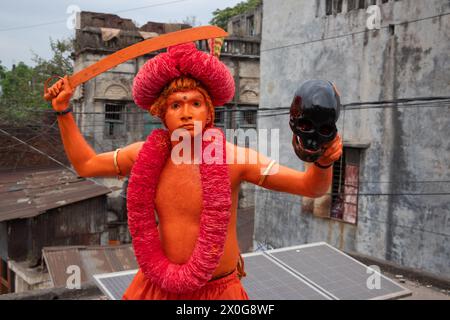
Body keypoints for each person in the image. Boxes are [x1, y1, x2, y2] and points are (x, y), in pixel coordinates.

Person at [48, 42, 342, 300]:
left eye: (196, 103)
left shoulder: (234, 159)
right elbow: (85, 164)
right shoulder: (142, 155)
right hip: (157, 287)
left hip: (220, 290)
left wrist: (322, 161)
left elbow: (310, 187)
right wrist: (63, 111)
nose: (187, 112)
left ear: (209, 111)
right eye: (176, 104)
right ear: (162, 112)